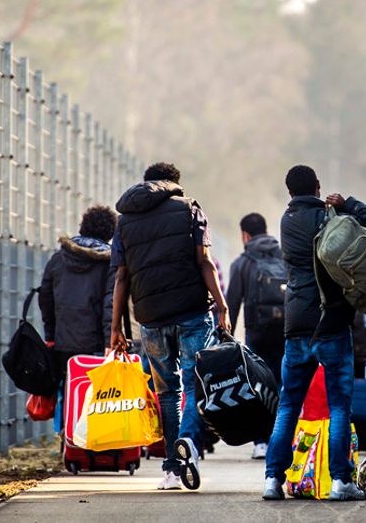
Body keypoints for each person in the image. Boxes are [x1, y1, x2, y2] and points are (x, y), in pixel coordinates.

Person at [262, 165, 366, 501]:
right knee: (339, 407)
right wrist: (348, 204)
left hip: (296, 326)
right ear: (318, 187)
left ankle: (272, 481)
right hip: (331, 323)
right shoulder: (331, 219)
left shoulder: (286, 221)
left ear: (289, 191)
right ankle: (339, 482)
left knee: (289, 404)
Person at [108, 162, 230, 491]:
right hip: (191, 312)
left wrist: (115, 328)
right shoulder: (188, 209)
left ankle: (172, 470)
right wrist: (221, 304)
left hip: (150, 319)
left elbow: (121, 277)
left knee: (167, 393)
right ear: (173, 185)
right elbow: (204, 261)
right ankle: (188, 442)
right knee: (193, 385)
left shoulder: (125, 221)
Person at [39, 205, 118, 432]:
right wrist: (108, 341)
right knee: (96, 388)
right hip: (95, 341)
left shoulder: (59, 258)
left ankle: (67, 434)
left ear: (83, 227)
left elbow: (45, 299)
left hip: (64, 339)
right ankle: (93, 437)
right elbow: (109, 304)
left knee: (67, 384)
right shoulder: (109, 262)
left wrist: (51, 335)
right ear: (110, 233)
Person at [226, 212, 286, 460]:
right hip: (285, 329)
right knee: (284, 384)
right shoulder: (286, 257)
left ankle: (261, 442)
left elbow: (232, 303)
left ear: (245, 235)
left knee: (258, 385)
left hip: (257, 332)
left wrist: (227, 337)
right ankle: (282, 438)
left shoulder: (242, 262)